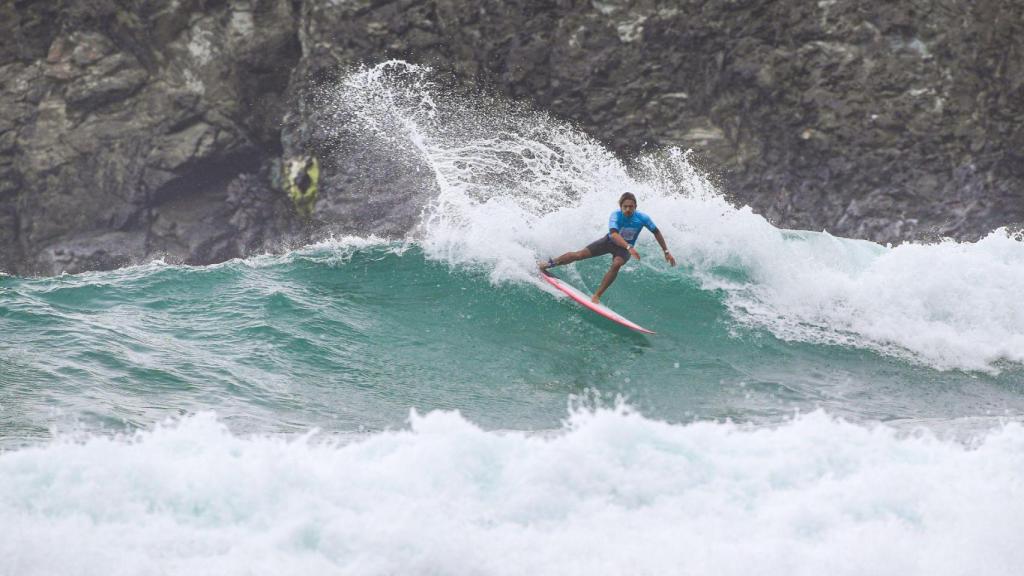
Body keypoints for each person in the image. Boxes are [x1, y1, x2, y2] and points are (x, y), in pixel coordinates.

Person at [540, 192, 676, 303]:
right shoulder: (615, 215)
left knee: (617, 264)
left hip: (623, 250)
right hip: (608, 242)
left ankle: (597, 295)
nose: (628, 209)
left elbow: (656, 232)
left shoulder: (643, 218)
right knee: (578, 255)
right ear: (620, 206)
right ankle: (548, 264)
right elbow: (614, 234)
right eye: (625, 206)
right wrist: (629, 247)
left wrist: (666, 251)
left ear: (635, 206)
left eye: (631, 206)